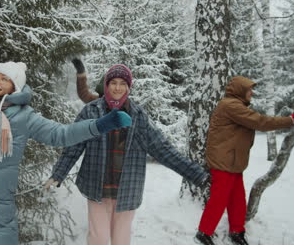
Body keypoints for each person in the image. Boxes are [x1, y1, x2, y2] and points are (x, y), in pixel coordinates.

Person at [0, 13, 133, 245]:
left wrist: (100, 125)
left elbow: (61, 134)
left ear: (15, 86)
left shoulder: (23, 117)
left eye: (4, 78)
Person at [44, 63, 209, 245]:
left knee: (121, 240)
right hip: (97, 185)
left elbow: (163, 149)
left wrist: (195, 173)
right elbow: (73, 144)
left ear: (128, 87)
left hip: (127, 189)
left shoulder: (138, 116)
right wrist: (59, 173)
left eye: (123, 83)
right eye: (113, 82)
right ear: (106, 85)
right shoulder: (91, 111)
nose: (117, 87)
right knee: (98, 238)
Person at [194, 76, 294, 245]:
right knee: (220, 198)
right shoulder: (231, 105)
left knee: (237, 199)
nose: (252, 93)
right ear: (240, 90)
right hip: (224, 160)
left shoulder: (236, 105)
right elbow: (260, 122)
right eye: (249, 90)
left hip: (232, 160)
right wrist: (291, 120)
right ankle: (203, 233)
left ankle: (237, 231)